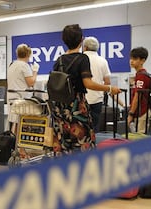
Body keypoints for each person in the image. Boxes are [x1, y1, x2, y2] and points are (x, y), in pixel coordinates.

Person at [50, 24, 121, 153]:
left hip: (60, 108)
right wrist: (109, 88)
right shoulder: (82, 58)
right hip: (76, 107)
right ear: (81, 40)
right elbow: (88, 83)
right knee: (83, 140)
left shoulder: (59, 60)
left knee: (64, 141)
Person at [6, 44, 39, 130]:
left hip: (12, 97)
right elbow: (31, 83)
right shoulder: (24, 65)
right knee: (21, 122)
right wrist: (35, 71)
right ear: (28, 55)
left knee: (16, 122)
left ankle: (15, 141)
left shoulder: (12, 65)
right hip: (22, 97)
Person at [83, 36, 112, 132]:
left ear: (85, 47)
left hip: (81, 100)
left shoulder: (80, 59)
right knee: (94, 127)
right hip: (97, 100)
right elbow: (107, 82)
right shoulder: (103, 61)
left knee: (81, 128)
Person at [127, 47, 151, 133]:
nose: (131, 61)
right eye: (131, 58)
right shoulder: (138, 75)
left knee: (140, 138)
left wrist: (131, 113)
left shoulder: (142, 76)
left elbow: (138, 96)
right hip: (139, 112)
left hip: (142, 112)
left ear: (142, 60)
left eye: (135, 59)